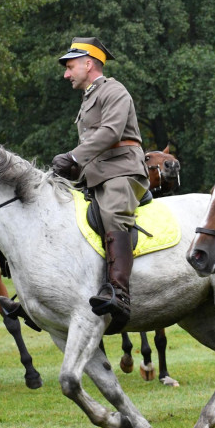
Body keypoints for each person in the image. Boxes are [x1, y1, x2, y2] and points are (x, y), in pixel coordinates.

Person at [50, 36, 148, 332]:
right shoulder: (90, 96)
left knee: (113, 212)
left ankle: (119, 292)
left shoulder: (114, 90)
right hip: (96, 173)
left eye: (70, 67)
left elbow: (110, 132)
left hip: (122, 169)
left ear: (88, 63)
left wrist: (73, 156)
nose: (66, 74)